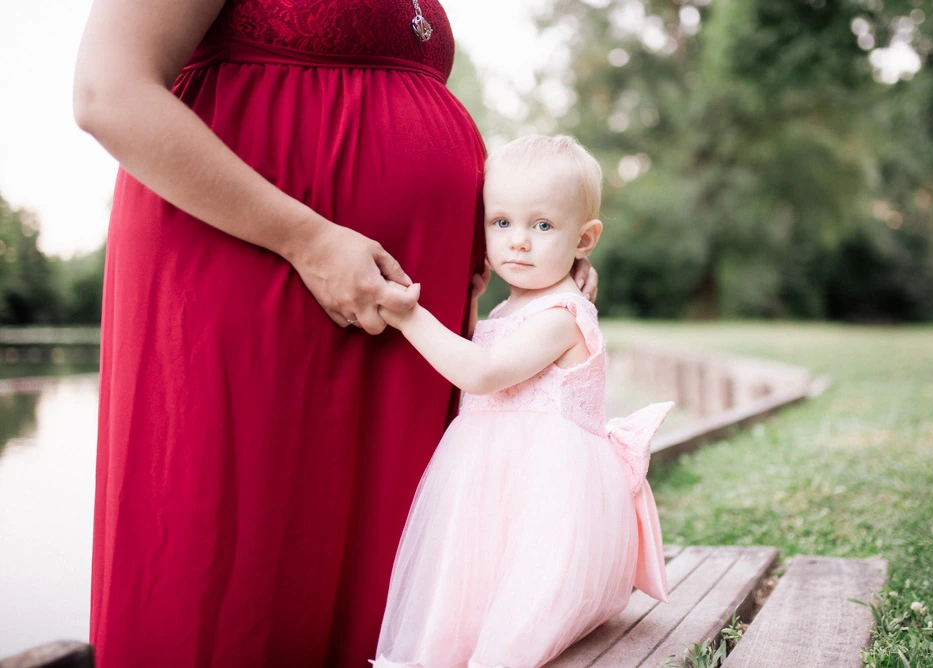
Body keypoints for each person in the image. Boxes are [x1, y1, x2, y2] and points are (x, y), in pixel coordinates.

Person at [73, 2, 598, 666]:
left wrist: (537, 260)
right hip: (255, 273)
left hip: (392, 314)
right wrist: (307, 239)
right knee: (243, 565)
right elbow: (107, 91)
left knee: (379, 572)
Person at [371, 135, 672, 668]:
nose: (518, 243)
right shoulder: (509, 310)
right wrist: (469, 301)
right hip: (491, 478)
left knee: (523, 599)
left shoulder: (563, 315)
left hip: (546, 488)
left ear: (585, 239)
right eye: (501, 223)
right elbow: (478, 349)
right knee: (471, 579)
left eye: (543, 226)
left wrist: (406, 315)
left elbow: (482, 373)